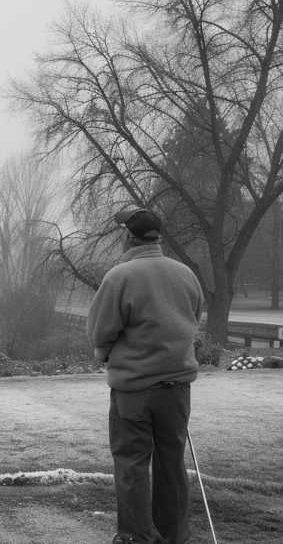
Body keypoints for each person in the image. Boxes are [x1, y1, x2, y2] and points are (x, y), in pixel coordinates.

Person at [86, 209, 204, 544]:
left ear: (127, 235)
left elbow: (99, 331)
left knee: (132, 465)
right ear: (158, 236)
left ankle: (136, 538)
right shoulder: (186, 274)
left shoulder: (120, 276)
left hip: (134, 391)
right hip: (177, 390)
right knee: (172, 465)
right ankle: (173, 537)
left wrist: (103, 352)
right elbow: (193, 319)